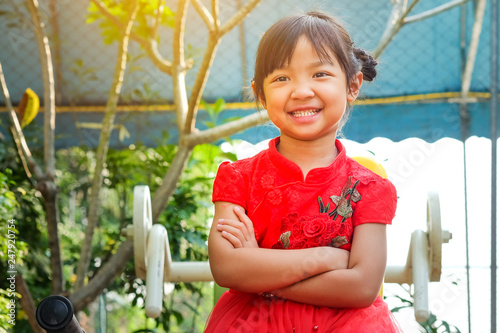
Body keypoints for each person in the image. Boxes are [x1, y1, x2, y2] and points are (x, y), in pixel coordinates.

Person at [205, 10, 403, 333]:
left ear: (353, 85)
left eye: (320, 74)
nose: (301, 91)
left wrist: (262, 274)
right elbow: (227, 267)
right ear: (261, 93)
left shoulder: (370, 188)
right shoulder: (238, 178)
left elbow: (363, 286)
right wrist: (325, 259)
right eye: (282, 78)